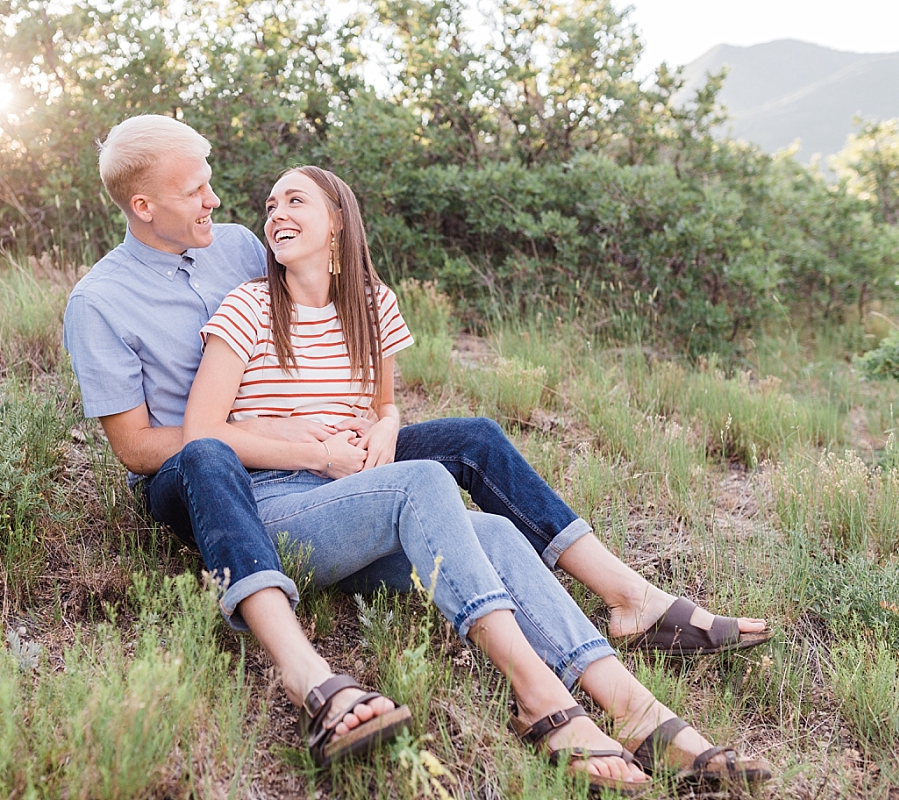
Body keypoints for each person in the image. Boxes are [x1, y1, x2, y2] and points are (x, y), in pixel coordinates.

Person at [62, 114, 769, 772]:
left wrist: (379, 422)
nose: (220, 201)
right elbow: (147, 446)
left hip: (324, 482)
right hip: (206, 483)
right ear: (145, 207)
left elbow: (323, 339)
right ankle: (534, 697)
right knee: (246, 458)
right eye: (196, 190)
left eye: (214, 182)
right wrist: (301, 447)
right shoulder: (102, 302)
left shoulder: (240, 247)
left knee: (480, 489)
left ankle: (638, 703)